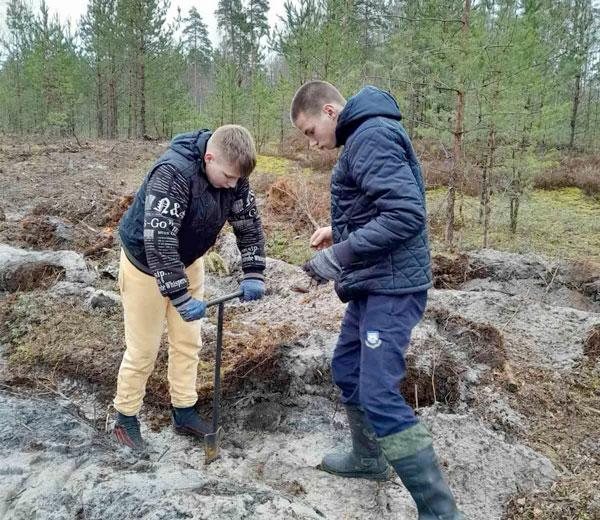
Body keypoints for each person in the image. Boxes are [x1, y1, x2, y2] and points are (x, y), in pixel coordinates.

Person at [291, 81, 463, 519]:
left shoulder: (370, 136)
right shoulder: (364, 136)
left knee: (379, 394)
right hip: (374, 280)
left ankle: (440, 511)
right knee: (347, 368)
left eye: (310, 132)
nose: (312, 145)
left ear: (330, 111)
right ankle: (368, 458)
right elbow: (380, 207)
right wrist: (340, 231)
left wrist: (337, 255)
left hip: (392, 287)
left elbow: (406, 214)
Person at [113, 125, 266, 450]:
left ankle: (183, 409)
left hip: (188, 260)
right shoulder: (173, 173)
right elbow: (160, 242)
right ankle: (125, 418)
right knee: (143, 350)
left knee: (188, 341)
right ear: (209, 157)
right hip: (144, 265)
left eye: (238, 179)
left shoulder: (232, 171)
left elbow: (247, 222)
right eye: (228, 176)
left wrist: (254, 270)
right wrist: (180, 297)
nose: (233, 184)